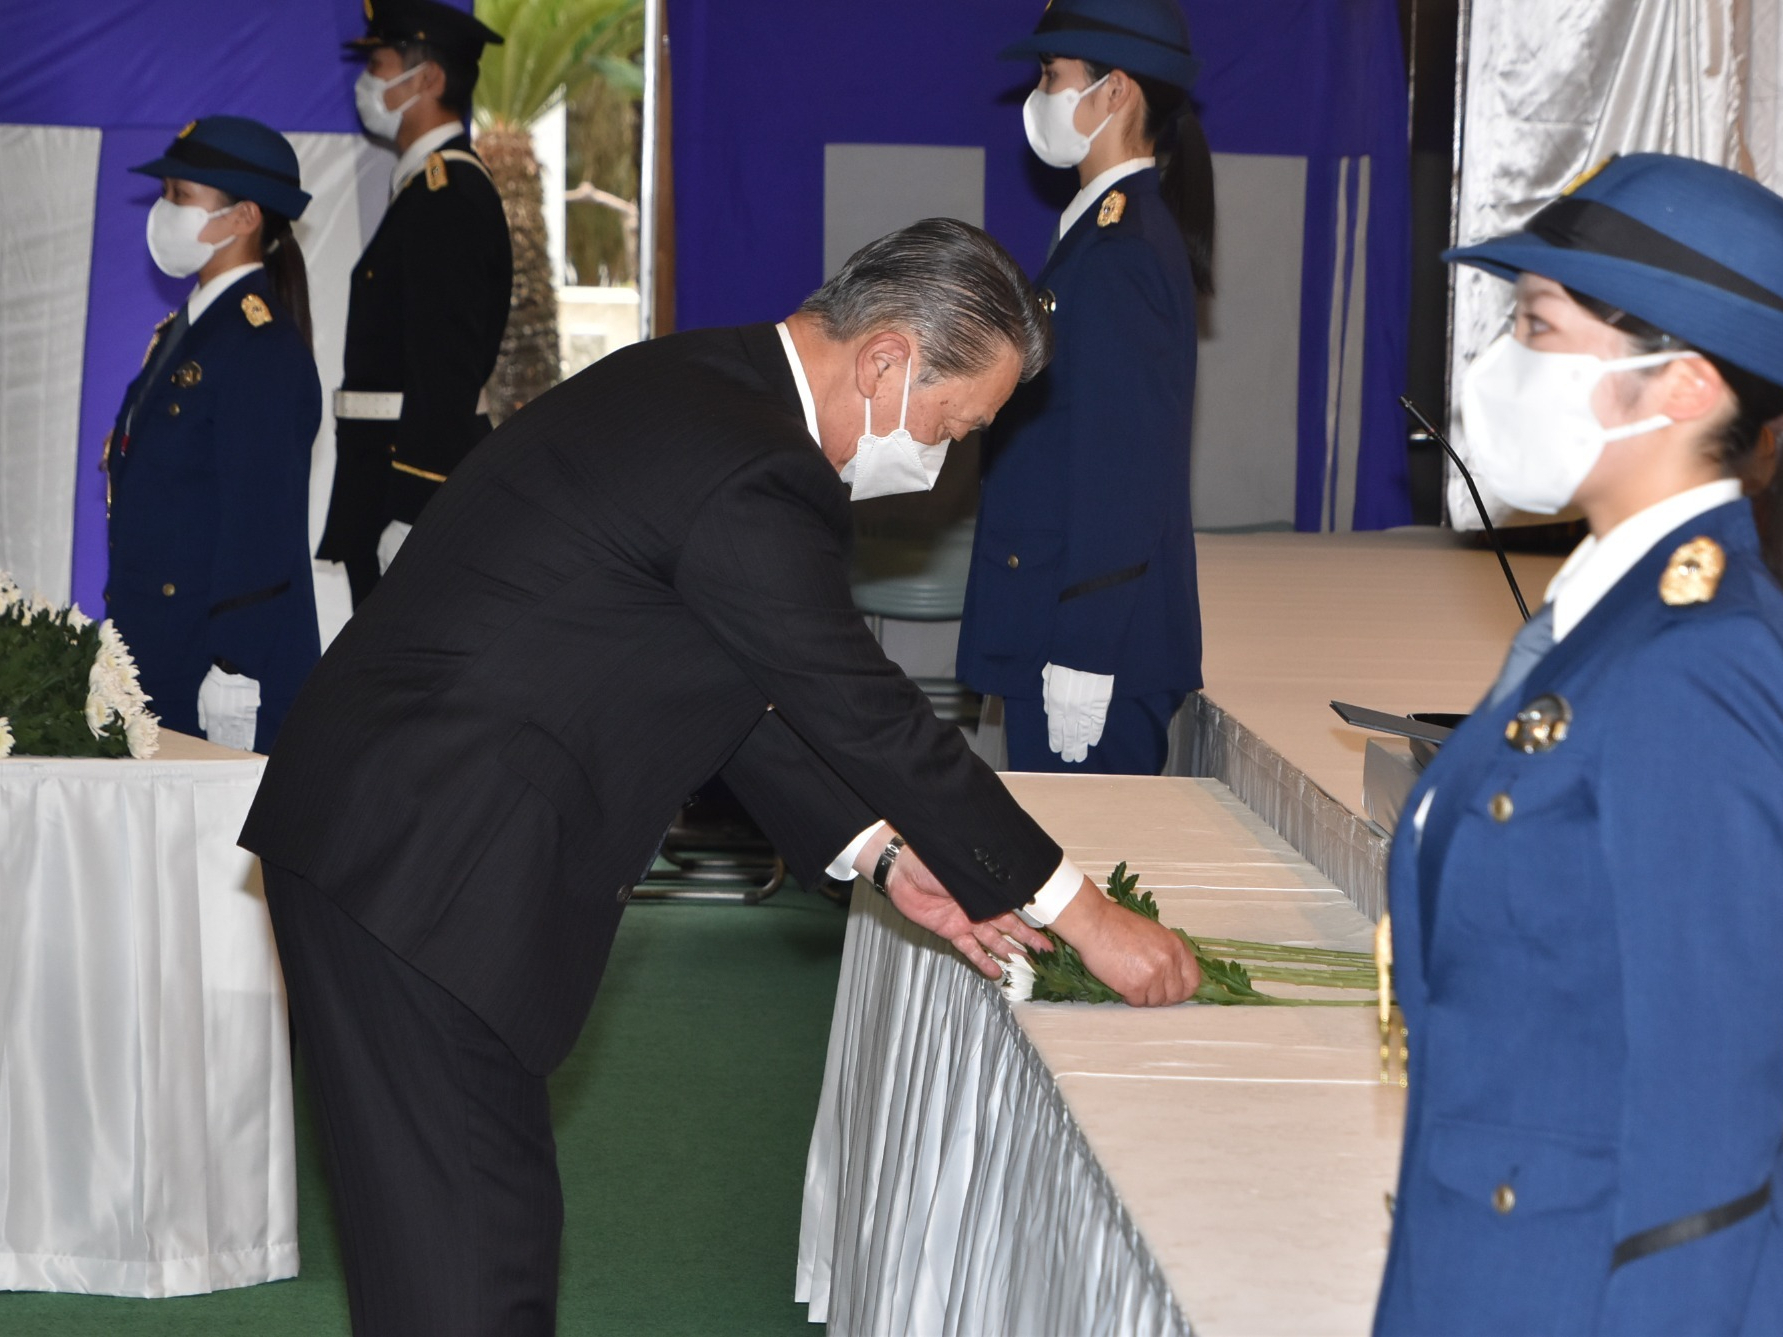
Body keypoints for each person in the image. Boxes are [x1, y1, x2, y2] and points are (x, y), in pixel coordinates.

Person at [240, 219, 1201, 1334]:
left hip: (392, 834)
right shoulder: (757, 466)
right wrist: (1077, 910)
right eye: (950, 427)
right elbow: (862, 706)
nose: (941, 460)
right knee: (467, 1266)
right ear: (887, 359)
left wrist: (884, 854)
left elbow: (742, 688)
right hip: (427, 859)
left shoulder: (708, 383)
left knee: (460, 1247)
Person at [1377, 153, 1783, 1334]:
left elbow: (1714, 1106)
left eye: (1537, 328)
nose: (1500, 365)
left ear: (1680, 385)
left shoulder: (1696, 663)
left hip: (1581, 1286)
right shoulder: (1606, 613)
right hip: (1491, 1259)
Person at [956, 0, 1214, 775]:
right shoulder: (1100, 231)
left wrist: (1082, 650)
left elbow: (1124, 469)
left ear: (1114, 92)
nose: (1039, 96)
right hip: (1059, 622)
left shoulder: (1122, 250)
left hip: (1092, 645)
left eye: (1051, 75)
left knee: (1086, 877)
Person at [103, 116, 322, 753]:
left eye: (180, 195)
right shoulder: (187, 332)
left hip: (215, 667)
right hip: (159, 651)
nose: (163, 211)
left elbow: (261, 527)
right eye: (165, 193)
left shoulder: (261, 348)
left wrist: (234, 668)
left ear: (243, 216)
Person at [317, 0, 512, 607]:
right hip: (382, 478)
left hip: (406, 482)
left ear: (426, 80)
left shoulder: (445, 196)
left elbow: (444, 367)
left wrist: (415, 506)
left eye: (379, 63)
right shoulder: (421, 191)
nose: (367, 81)